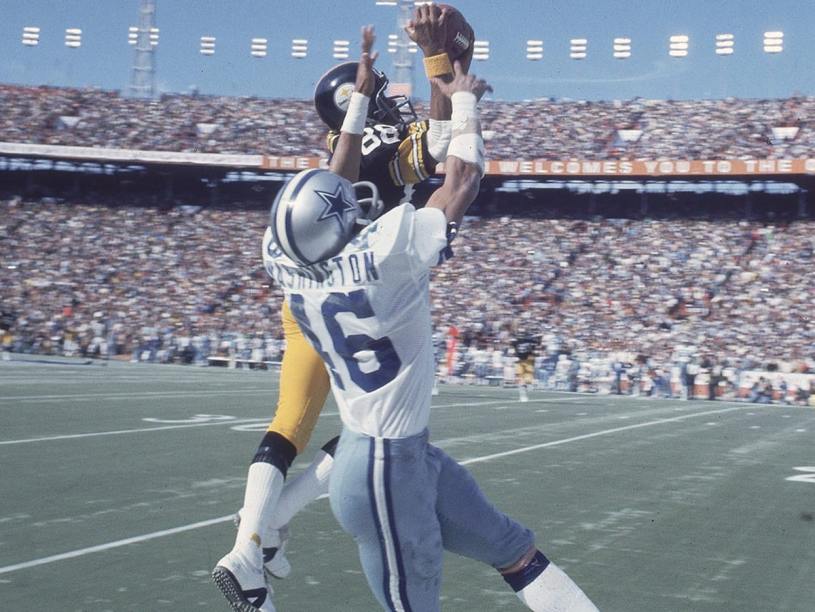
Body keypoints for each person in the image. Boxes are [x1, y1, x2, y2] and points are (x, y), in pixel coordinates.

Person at [261, 27, 597, 612]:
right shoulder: (388, 252)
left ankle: (264, 525)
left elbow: (339, 180)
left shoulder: (285, 260)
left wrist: (362, 101)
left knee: (516, 551)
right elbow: (461, 177)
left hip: (401, 454)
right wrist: (462, 98)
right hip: (382, 471)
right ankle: (262, 527)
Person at [213, 7, 470, 611]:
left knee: (290, 423)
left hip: (308, 299)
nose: (391, 101)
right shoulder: (376, 144)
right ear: (355, 105)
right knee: (373, 432)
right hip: (363, 301)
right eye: (377, 94)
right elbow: (439, 144)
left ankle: (252, 541)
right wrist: (439, 62)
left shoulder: (342, 146)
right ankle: (266, 527)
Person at [513, 329, 538, 402]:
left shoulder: (530, 341)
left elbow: (536, 347)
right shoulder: (516, 342)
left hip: (528, 361)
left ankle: (529, 386)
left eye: (522, 333)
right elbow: (514, 350)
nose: (520, 335)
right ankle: (523, 396)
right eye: (519, 333)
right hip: (519, 361)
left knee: (528, 380)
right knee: (520, 379)